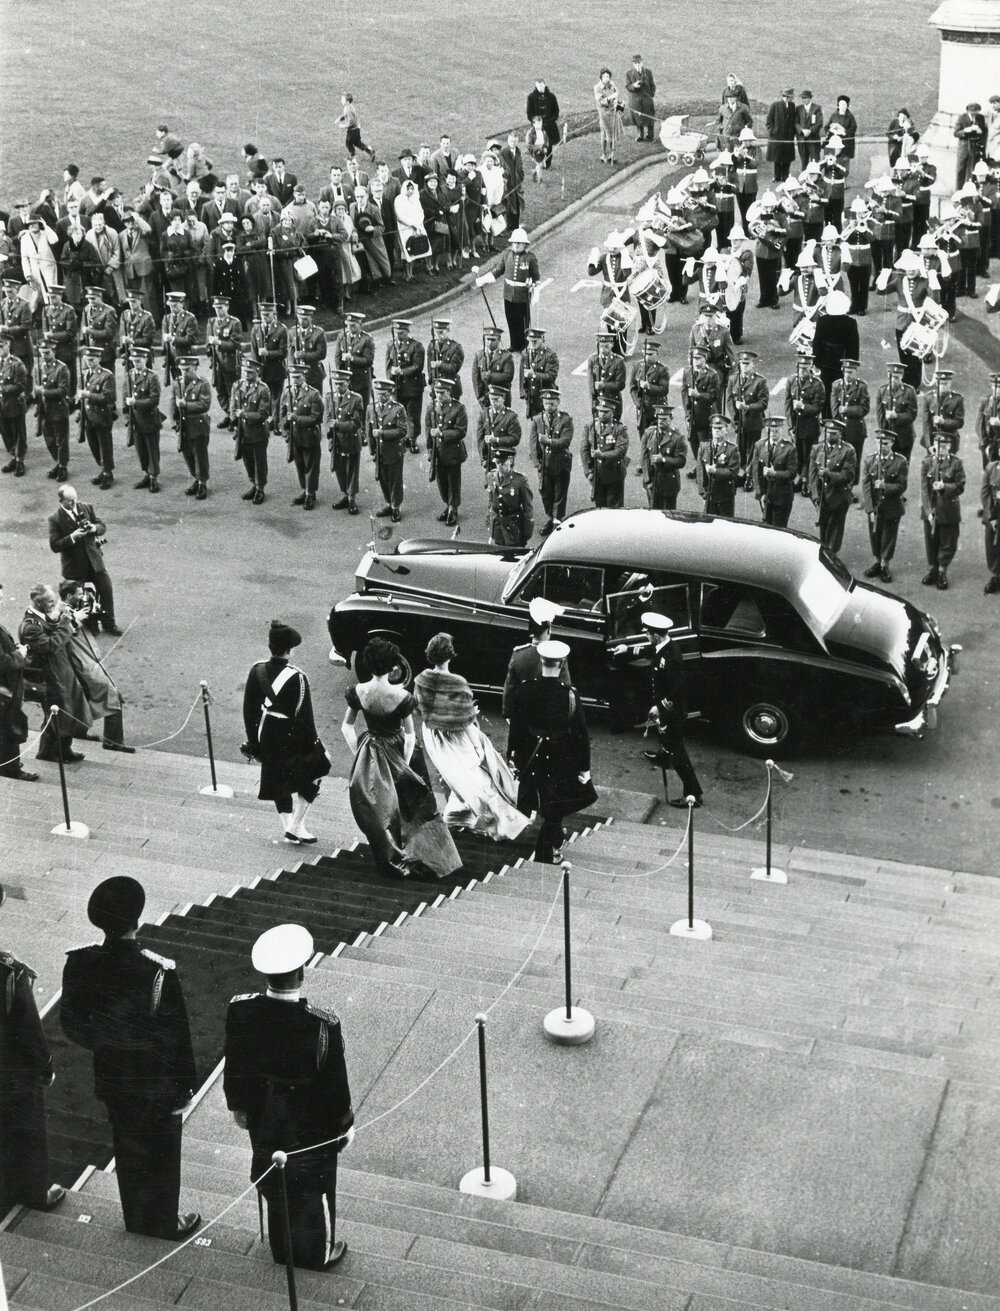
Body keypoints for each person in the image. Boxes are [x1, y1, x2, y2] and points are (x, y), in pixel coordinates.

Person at [61, 876, 200, 1240]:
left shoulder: (80, 963)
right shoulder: (157, 971)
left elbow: (72, 1025)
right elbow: (177, 1036)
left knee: (128, 1147)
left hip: (113, 1076)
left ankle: (136, 1218)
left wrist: (109, 1043)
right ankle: (165, 1221)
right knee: (163, 1153)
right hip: (155, 1080)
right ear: (137, 919)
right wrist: (185, 1087)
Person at [225, 925, 353, 1273]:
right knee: (313, 1187)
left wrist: (238, 1106)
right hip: (310, 1128)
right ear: (301, 971)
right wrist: (344, 1125)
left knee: (274, 1173)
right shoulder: (323, 1025)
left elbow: (235, 1064)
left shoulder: (241, 1011)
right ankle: (314, 1253)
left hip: (263, 1117)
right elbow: (335, 1088)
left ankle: (282, 1248)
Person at [342, 636, 461, 879]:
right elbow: (409, 735)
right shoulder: (402, 696)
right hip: (398, 752)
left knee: (382, 809)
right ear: (391, 667)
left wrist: (360, 753)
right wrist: (403, 765)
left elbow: (346, 727)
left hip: (371, 751)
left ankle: (391, 855)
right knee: (414, 805)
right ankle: (425, 853)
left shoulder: (357, 691)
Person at [414, 633, 527, 839]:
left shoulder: (421, 680)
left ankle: (457, 816)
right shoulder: (457, 683)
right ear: (450, 656)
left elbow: (419, 709)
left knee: (453, 778)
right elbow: (465, 721)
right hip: (458, 736)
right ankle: (493, 823)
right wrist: (477, 746)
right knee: (481, 778)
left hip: (433, 736)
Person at [0, 885, 65, 1211]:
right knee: (26, 1132)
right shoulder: (9, 973)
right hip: (9, 1076)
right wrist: (45, 1067)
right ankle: (34, 1192)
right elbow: (28, 1029)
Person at [242, 620, 329, 843]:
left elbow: (249, 710)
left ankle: (289, 828)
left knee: (277, 778)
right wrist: (316, 745)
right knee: (319, 768)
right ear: (289, 650)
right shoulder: (298, 677)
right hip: (291, 735)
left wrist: (254, 743)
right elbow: (305, 716)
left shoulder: (256, 671)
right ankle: (296, 825)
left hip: (266, 734)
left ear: (270, 646)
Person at [508, 639, 593, 862]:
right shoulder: (570, 694)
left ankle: (551, 846)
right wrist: (584, 767)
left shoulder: (525, 689)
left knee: (543, 800)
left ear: (541, 660)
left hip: (533, 757)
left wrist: (513, 757)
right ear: (562, 663)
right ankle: (549, 850)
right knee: (556, 805)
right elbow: (581, 734)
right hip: (560, 758)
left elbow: (516, 728)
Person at [48, 482, 120, 632]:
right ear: (61, 500)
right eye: (69, 500)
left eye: (75, 499)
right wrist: (72, 537)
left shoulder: (86, 507)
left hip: (94, 560)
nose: (74, 503)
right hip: (74, 566)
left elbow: (101, 525)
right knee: (80, 598)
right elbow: (55, 545)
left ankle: (109, 624)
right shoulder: (55, 519)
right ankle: (91, 624)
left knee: (106, 591)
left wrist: (94, 528)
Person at [474, 229, 538, 353]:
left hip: (522, 295)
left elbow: (536, 278)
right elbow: (497, 271)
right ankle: (514, 344)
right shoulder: (507, 255)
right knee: (511, 320)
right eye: (514, 242)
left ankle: (524, 345)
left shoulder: (530, 258)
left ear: (525, 244)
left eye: (519, 243)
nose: (516, 245)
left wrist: (534, 288)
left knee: (523, 321)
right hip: (508, 294)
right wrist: (483, 279)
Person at [0, 583, 38, 782]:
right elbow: (3, 661)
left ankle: (9, 765)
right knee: (10, 727)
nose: (2, 601)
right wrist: (19, 654)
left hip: (6, 686)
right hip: (4, 688)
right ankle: (11, 768)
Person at [861, 430, 908, 583]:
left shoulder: (900, 461)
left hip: (892, 506)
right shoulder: (870, 461)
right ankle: (877, 561)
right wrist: (869, 509)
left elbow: (901, 486)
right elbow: (866, 486)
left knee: (888, 536)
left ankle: (884, 565)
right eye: (879, 443)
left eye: (886, 443)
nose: (882, 447)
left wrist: (885, 486)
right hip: (874, 507)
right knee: (875, 535)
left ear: (892, 443)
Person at [921, 431, 966, 590]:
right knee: (931, 542)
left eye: (944, 446)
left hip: (948, 509)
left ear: (950, 447)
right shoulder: (927, 462)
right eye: (938, 445)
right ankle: (933, 569)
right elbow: (924, 490)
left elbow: (960, 486)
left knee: (948, 542)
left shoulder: (956, 463)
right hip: (931, 511)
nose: (940, 449)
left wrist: (945, 487)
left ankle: (942, 571)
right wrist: (928, 511)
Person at [529, 386, 573, 535]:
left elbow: (565, 442)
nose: (549, 407)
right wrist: (537, 463)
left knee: (560, 493)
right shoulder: (537, 420)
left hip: (560, 462)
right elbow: (533, 443)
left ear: (558, 402)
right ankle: (549, 517)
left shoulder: (566, 419)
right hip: (544, 464)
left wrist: (548, 441)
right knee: (546, 493)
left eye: (552, 403)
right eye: (546, 403)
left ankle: (557, 520)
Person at [281, 363, 324, 512]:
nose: (294, 380)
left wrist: (297, 418)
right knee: (299, 465)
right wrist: (285, 432)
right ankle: (305, 489)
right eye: (292, 377)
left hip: (309, 436)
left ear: (304, 377)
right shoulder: (287, 393)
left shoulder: (313, 394)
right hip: (295, 437)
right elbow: (281, 414)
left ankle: (310, 494)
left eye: (298, 377)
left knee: (310, 466)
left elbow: (316, 418)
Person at [809, 419, 857, 553]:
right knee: (823, 530)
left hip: (839, 496)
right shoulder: (817, 448)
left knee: (835, 531)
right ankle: (825, 554)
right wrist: (815, 496)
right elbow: (812, 475)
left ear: (840, 434)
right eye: (828, 432)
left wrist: (829, 474)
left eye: (834, 433)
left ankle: (832, 556)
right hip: (822, 497)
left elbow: (848, 475)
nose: (830, 436)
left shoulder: (848, 451)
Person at [426, 376, 467, 526]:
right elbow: (428, 429)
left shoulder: (458, 408)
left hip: (453, 452)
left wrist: (442, 434)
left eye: (442, 392)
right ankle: (447, 505)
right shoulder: (431, 407)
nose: (439, 395)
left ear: (449, 392)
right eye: (437, 392)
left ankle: (453, 508)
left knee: (453, 482)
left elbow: (461, 431)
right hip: (438, 452)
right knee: (442, 482)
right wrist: (430, 449)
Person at [231, 354, 272, 504]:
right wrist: (234, 422)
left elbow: (263, 414)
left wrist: (245, 415)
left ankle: (260, 488)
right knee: (247, 460)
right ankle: (253, 485)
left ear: (257, 373)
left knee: (259, 461)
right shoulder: (237, 386)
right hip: (243, 431)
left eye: (250, 372)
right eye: (244, 371)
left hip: (258, 432)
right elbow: (233, 406)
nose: (246, 375)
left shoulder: (263, 389)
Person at [326, 367, 365, 515]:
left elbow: (356, 423)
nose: (338, 387)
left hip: (350, 440)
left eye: (341, 384)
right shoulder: (330, 397)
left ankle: (351, 497)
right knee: (339, 468)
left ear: (348, 383)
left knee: (352, 469)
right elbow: (327, 417)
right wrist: (329, 431)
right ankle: (344, 494)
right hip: (337, 440)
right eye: (336, 383)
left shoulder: (356, 399)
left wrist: (339, 425)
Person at [811, 289, 859, 413]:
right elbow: (853, 346)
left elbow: (817, 343)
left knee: (827, 388)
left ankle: (826, 414)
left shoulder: (822, 321)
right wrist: (852, 364)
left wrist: (817, 361)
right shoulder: (851, 322)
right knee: (842, 388)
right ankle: (840, 414)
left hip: (826, 359)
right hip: (842, 359)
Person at [172, 355, 212, 500]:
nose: (184, 372)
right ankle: (196, 479)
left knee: (199, 455)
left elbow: (204, 405)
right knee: (187, 453)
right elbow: (173, 402)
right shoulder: (178, 383)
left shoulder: (202, 384)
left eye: (187, 369)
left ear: (195, 368)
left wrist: (186, 405)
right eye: (181, 369)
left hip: (198, 425)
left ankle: (202, 483)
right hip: (184, 426)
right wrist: (173, 421)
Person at [367, 378, 407, 522]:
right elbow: (369, 430)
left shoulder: (398, 409)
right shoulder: (372, 408)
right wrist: (372, 450)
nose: (380, 397)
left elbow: (402, 431)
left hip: (393, 451)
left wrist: (383, 433)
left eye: (384, 394)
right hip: (380, 451)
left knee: (395, 480)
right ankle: (389, 504)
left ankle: (396, 507)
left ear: (391, 393)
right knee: (383, 479)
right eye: (378, 394)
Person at [35, 335, 72, 483]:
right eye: (42, 352)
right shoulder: (39, 367)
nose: (45, 356)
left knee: (61, 440)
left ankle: (63, 466)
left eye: (47, 352)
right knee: (49, 438)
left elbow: (63, 390)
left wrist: (43, 391)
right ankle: (57, 462)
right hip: (45, 409)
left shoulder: (61, 368)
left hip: (58, 408)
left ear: (54, 351)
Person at [728, 348, 769, 484]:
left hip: (753, 422)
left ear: (753, 364)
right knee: (740, 449)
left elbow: (763, 403)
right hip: (739, 422)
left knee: (752, 451)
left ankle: (750, 476)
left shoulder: (760, 381)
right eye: (742, 363)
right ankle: (741, 473)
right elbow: (730, 400)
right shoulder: (734, 379)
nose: (745, 367)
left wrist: (748, 408)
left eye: (747, 363)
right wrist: (734, 418)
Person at [386, 319, 425, 454]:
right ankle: (402, 438)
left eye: (402, 333)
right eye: (397, 333)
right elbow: (388, 364)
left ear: (408, 332)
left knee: (413, 414)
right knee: (399, 413)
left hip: (412, 386)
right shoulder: (391, 345)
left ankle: (413, 439)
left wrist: (402, 371)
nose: (399, 336)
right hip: (397, 387)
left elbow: (417, 366)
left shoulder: (416, 346)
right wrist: (390, 379)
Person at [581, 397, 628, 507]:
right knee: (599, 507)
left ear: (613, 412)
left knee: (613, 509)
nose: (602, 414)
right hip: (597, 475)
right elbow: (584, 449)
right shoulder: (590, 426)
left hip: (614, 474)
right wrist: (588, 471)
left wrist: (602, 455)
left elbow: (620, 451)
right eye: (600, 411)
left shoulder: (619, 429)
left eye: (606, 412)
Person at [752, 415, 798, 527]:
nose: (773, 433)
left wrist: (775, 473)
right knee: (766, 528)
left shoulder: (789, 448)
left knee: (779, 529)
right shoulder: (760, 445)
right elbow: (755, 470)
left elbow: (792, 473)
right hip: (766, 495)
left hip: (782, 496)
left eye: (776, 430)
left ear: (781, 429)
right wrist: (760, 493)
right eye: (771, 430)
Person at [830, 357, 870, 487]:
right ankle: (840, 482)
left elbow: (864, 408)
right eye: (846, 372)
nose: (848, 375)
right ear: (843, 371)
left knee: (854, 459)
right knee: (839, 457)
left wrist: (848, 410)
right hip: (841, 430)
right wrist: (837, 424)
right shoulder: (836, 385)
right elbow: (834, 407)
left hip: (855, 429)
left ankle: (850, 486)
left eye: (851, 372)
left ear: (856, 372)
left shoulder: (861, 387)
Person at [640, 403, 686, 510]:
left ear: (671, 419)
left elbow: (681, 461)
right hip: (652, 482)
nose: (661, 421)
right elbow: (644, 457)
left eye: (664, 419)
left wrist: (664, 459)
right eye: (659, 418)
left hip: (669, 482)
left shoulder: (677, 437)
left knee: (668, 514)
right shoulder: (649, 434)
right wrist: (648, 481)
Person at [697, 413, 740, 517]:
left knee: (725, 525)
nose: (717, 431)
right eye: (714, 428)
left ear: (726, 430)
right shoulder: (704, 447)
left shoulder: (732, 449)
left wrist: (716, 471)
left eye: (720, 428)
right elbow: (700, 471)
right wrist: (703, 493)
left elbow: (732, 472)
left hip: (725, 495)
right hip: (709, 495)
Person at [488, 447, 533, 544]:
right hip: (498, 526)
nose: (500, 466)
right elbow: (491, 502)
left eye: (503, 463)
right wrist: (491, 525)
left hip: (514, 526)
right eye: (497, 463)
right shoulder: (491, 477)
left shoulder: (520, 480)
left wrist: (526, 532)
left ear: (510, 461)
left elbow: (528, 508)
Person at [0, 333, 30, 479]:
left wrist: (2, 390)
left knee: (18, 433)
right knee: (5, 432)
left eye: (1, 346)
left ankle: (20, 460)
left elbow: (20, 386)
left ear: (8, 345)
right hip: (1, 406)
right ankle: (13, 455)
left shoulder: (17, 364)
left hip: (14, 404)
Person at [527, 79, 560, 168]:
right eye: (538, 86)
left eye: (541, 86)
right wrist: (536, 122)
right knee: (537, 144)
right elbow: (529, 113)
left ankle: (548, 164)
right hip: (537, 126)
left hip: (549, 126)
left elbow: (556, 112)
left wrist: (549, 121)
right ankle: (539, 161)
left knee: (548, 145)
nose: (540, 88)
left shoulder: (551, 97)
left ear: (545, 85)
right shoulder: (531, 97)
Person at [766, 88, 797, 183]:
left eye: (789, 97)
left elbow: (793, 120)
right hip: (777, 137)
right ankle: (777, 176)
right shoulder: (775, 105)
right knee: (777, 158)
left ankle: (785, 176)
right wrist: (774, 131)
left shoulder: (792, 106)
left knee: (787, 158)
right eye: (787, 96)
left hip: (788, 137)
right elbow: (769, 122)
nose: (788, 99)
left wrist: (792, 132)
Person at [982, 436, 1000, 593]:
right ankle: (995, 575)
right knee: (992, 546)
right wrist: (991, 517)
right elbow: (985, 496)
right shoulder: (991, 469)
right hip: (995, 513)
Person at [625, 54, 656, 142]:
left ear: (642, 62)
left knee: (649, 117)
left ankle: (650, 135)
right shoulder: (629, 73)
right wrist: (634, 86)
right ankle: (640, 135)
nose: (638, 64)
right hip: (635, 100)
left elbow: (652, 85)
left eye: (639, 62)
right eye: (635, 63)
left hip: (647, 99)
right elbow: (627, 86)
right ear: (633, 64)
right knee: (638, 118)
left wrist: (651, 94)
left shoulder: (648, 72)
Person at [594, 69, 622, 164]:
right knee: (604, 135)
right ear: (601, 77)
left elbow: (617, 94)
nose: (606, 78)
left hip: (612, 113)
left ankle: (612, 155)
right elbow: (602, 102)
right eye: (604, 76)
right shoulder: (597, 87)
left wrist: (615, 100)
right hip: (603, 114)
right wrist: (611, 97)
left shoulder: (612, 85)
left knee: (612, 134)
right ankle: (604, 154)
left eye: (608, 76)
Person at [795, 90, 824, 168]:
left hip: (813, 140)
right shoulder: (798, 108)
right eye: (802, 98)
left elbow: (819, 123)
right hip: (801, 140)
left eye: (806, 97)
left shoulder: (817, 108)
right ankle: (805, 178)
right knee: (804, 162)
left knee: (815, 161)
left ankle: (816, 178)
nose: (803, 99)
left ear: (810, 98)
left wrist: (810, 131)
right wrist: (801, 130)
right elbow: (795, 122)